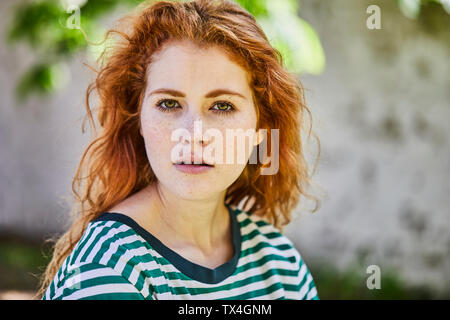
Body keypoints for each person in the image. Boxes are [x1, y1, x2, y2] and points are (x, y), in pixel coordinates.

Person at [37, 0, 321, 300]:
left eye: (222, 106)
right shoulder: (110, 269)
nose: (193, 135)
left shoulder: (281, 265)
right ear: (140, 120)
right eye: (169, 104)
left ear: (259, 131)